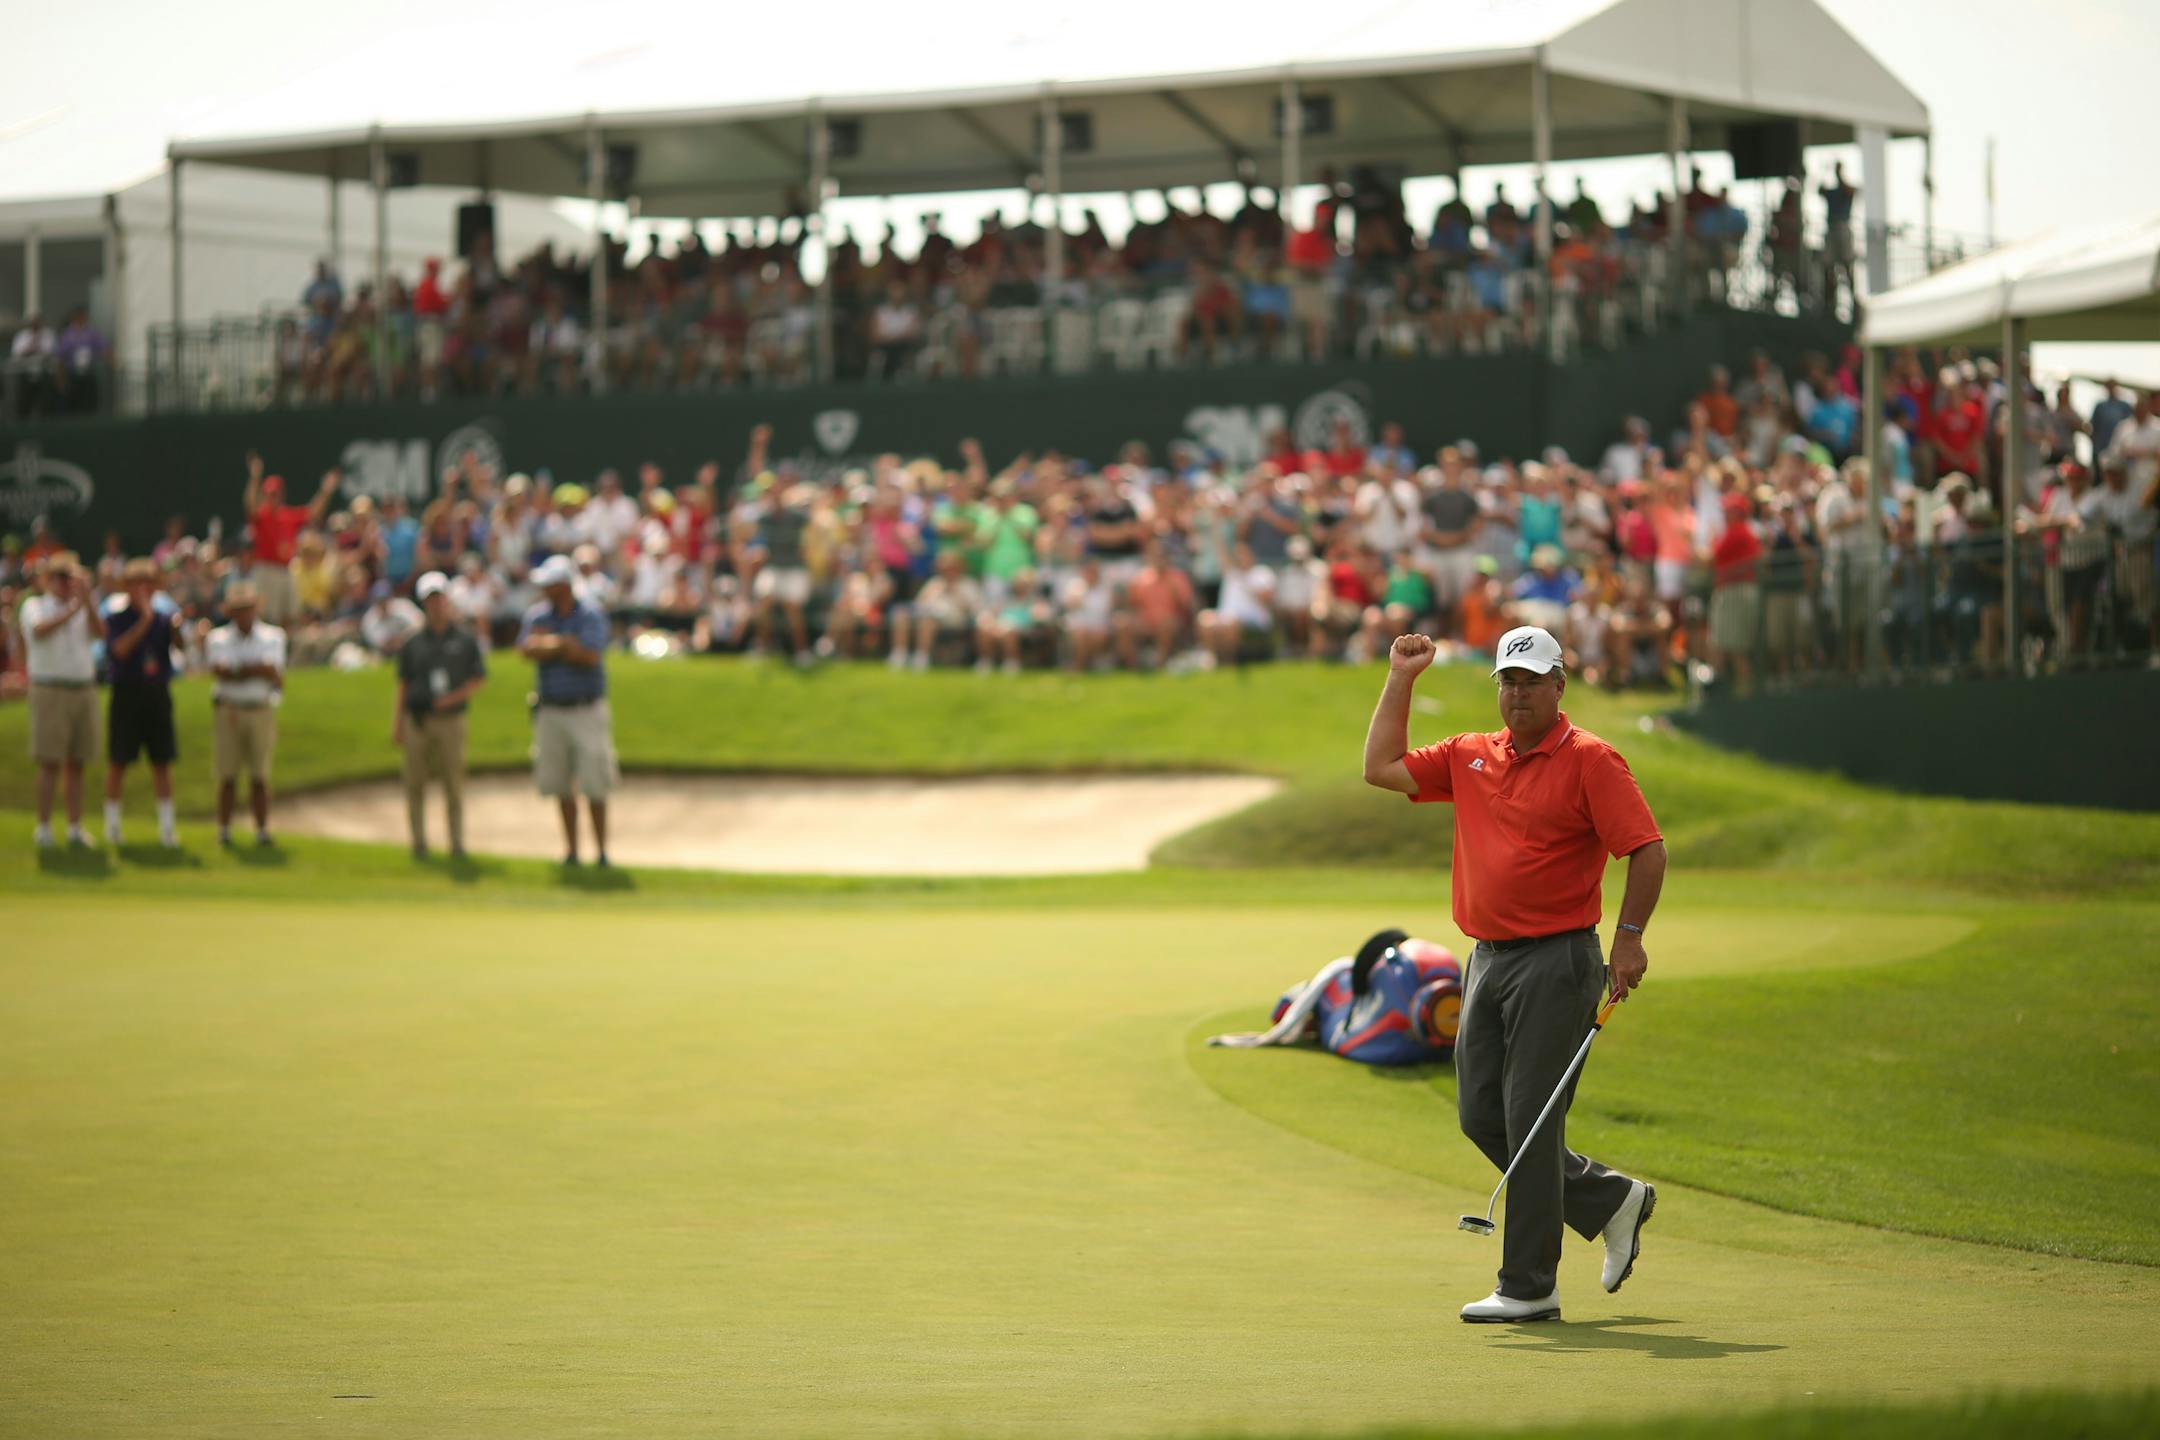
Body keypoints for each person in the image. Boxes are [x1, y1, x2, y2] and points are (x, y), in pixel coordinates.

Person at [1363, 624, 1666, 1324]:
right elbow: (1381, 767)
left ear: (1560, 685)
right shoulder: (1471, 754)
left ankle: (1529, 1287)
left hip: (1557, 961)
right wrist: (1402, 677)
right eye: (1509, 681)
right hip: (1486, 959)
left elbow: (1646, 849)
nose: (1519, 693)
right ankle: (1610, 1199)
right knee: (1481, 1115)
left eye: (1532, 681)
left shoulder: (1592, 759)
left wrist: (1629, 939)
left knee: (1531, 1119)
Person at [518, 555, 616, 866]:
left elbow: (588, 655)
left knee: (595, 784)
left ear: (564, 586)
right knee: (560, 784)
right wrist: (563, 644)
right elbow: (527, 649)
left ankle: (601, 853)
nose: (544, 589)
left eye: (550, 584)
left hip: (586, 709)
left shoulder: (590, 614)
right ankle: (572, 852)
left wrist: (549, 645)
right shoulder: (537, 615)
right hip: (550, 709)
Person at [395, 572, 488, 859]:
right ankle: (418, 843)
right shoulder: (412, 642)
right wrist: (397, 723)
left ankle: (456, 844)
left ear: (447, 600)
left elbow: (478, 678)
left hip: (451, 720)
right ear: (424, 603)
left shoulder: (464, 638)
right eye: (430, 600)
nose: (435, 605)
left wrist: (452, 698)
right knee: (414, 783)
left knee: (453, 784)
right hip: (417, 720)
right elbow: (403, 684)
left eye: (439, 598)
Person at [102, 558, 182, 847]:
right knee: (118, 760)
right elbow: (119, 651)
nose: (144, 589)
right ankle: (112, 826)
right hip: (127, 694)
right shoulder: (116, 618)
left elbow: (180, 648)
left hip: (156, 693)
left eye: (148, 583)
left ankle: (167, 829)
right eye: (138, 584)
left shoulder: (165, 619)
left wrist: (177, 627)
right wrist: (144, 620)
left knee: (162, 761)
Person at [22, 554, 100, 847]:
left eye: (71, 578)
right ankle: (43, 827)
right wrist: (72, 609)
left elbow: (101, 633)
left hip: (82, 688)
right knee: (49, 762)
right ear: (49, 580)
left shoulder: (83, 606)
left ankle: (75, 828)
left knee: (77, 763)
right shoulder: (34, 605)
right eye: (62, 577)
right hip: (50, 689)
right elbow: (40, 631)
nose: (67, 584)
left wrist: (87, 602)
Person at [205, 583, 287, 847]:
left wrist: (238, 670)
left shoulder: (273, 636)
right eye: (239, 609)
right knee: (226, 774)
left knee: (260, 775)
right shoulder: (217, 638)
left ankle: (262, 830)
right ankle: (224, 830)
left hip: (260, 709)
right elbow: (221, 672)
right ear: (231, 612)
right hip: (229, 709)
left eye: (248, 608)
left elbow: (274, 673)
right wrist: (255, 669)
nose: (244, 614)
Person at [243, 453, 338, 625]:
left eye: (276, 494)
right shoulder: (261, 516)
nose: (273, 498)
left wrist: (326, 491)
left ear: (282, 495)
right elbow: (250, 504)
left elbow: (313, 512)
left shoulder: (288, 516)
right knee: (266, 616)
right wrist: (255, 478)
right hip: (266, 569)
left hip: (286, 569)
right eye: (269, 494)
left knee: (289, 616)